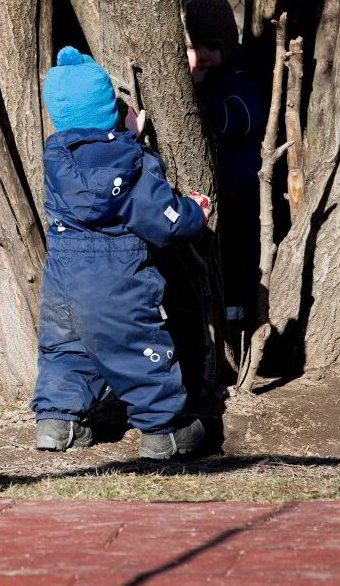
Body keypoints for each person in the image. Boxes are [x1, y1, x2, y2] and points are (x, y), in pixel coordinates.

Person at [32, 46, 213, 459]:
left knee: (66, 348)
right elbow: (163, 223)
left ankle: (57, 424)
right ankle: (164, 432)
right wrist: (195, 212)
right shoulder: (133, 162)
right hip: (118, 276)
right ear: (112, 112)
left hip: (64, 278)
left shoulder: (56, 157)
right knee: (138, 347)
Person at [181, 0, 268, 329]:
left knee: (237, 256)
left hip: (238, 187)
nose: (200, 56)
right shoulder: (183, 80)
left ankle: (236, 319)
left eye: (210, 47)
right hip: (200, 192)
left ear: (227, 47)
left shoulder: (240, 78)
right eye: (190, 48)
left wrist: (202, 89)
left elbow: (238, 121)